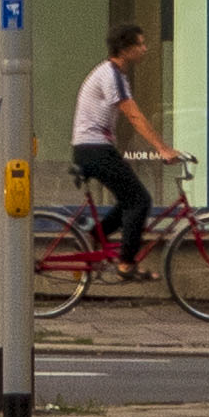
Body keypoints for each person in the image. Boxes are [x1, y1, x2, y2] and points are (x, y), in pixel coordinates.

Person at [69, 23, 163, 269]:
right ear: (125, 49)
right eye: (140, 44)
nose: (145, 48)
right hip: (93, 148)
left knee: (127, 198)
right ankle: (126, 264)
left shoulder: (116, 74)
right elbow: (134, 116)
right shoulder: (111, 75)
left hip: (93, 147)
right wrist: (163, 149)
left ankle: (96, 237)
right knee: (139, 200)